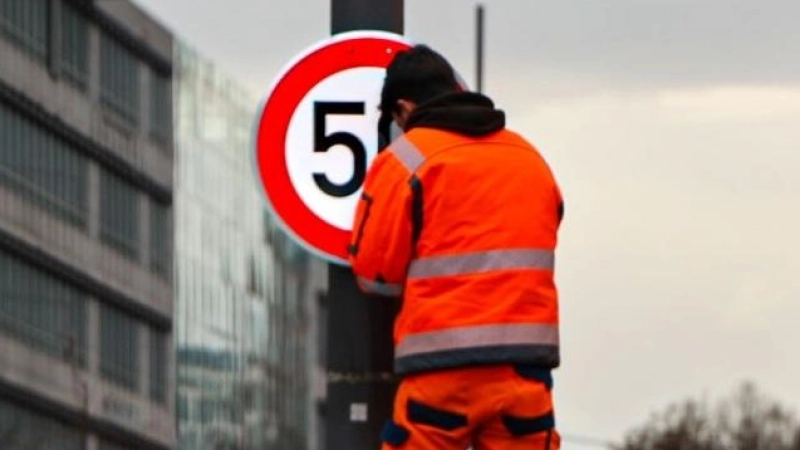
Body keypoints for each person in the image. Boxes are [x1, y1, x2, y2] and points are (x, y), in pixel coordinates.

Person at [349, 45, 564, 450]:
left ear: (404, 109)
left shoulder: (406, 160)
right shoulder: (528, 158)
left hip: (443, 375)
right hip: (525, 376)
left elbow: (374, 275)